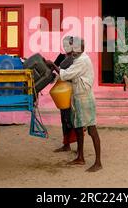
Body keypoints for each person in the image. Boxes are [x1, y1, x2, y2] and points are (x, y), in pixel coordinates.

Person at [50, 36, 102, 172]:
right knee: (78, 128)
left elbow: (65, 75)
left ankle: (98, 162)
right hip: (77, 97)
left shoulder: (82, 61)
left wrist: (53, 65)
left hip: (85, 98)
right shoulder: (77, 59)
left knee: (92, 130)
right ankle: (80, 157)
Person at [51, 36, 77, 152]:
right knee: (64, 118)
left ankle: (78, 146)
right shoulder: (61, 57)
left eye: (69, 44)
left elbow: (64, 73)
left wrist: (53, 66)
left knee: (71, 118)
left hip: (71, 91)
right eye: (65, 44)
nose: (66, 47)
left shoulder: (75, 59)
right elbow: (52, 69)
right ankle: (66, 144)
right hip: (61, 91)